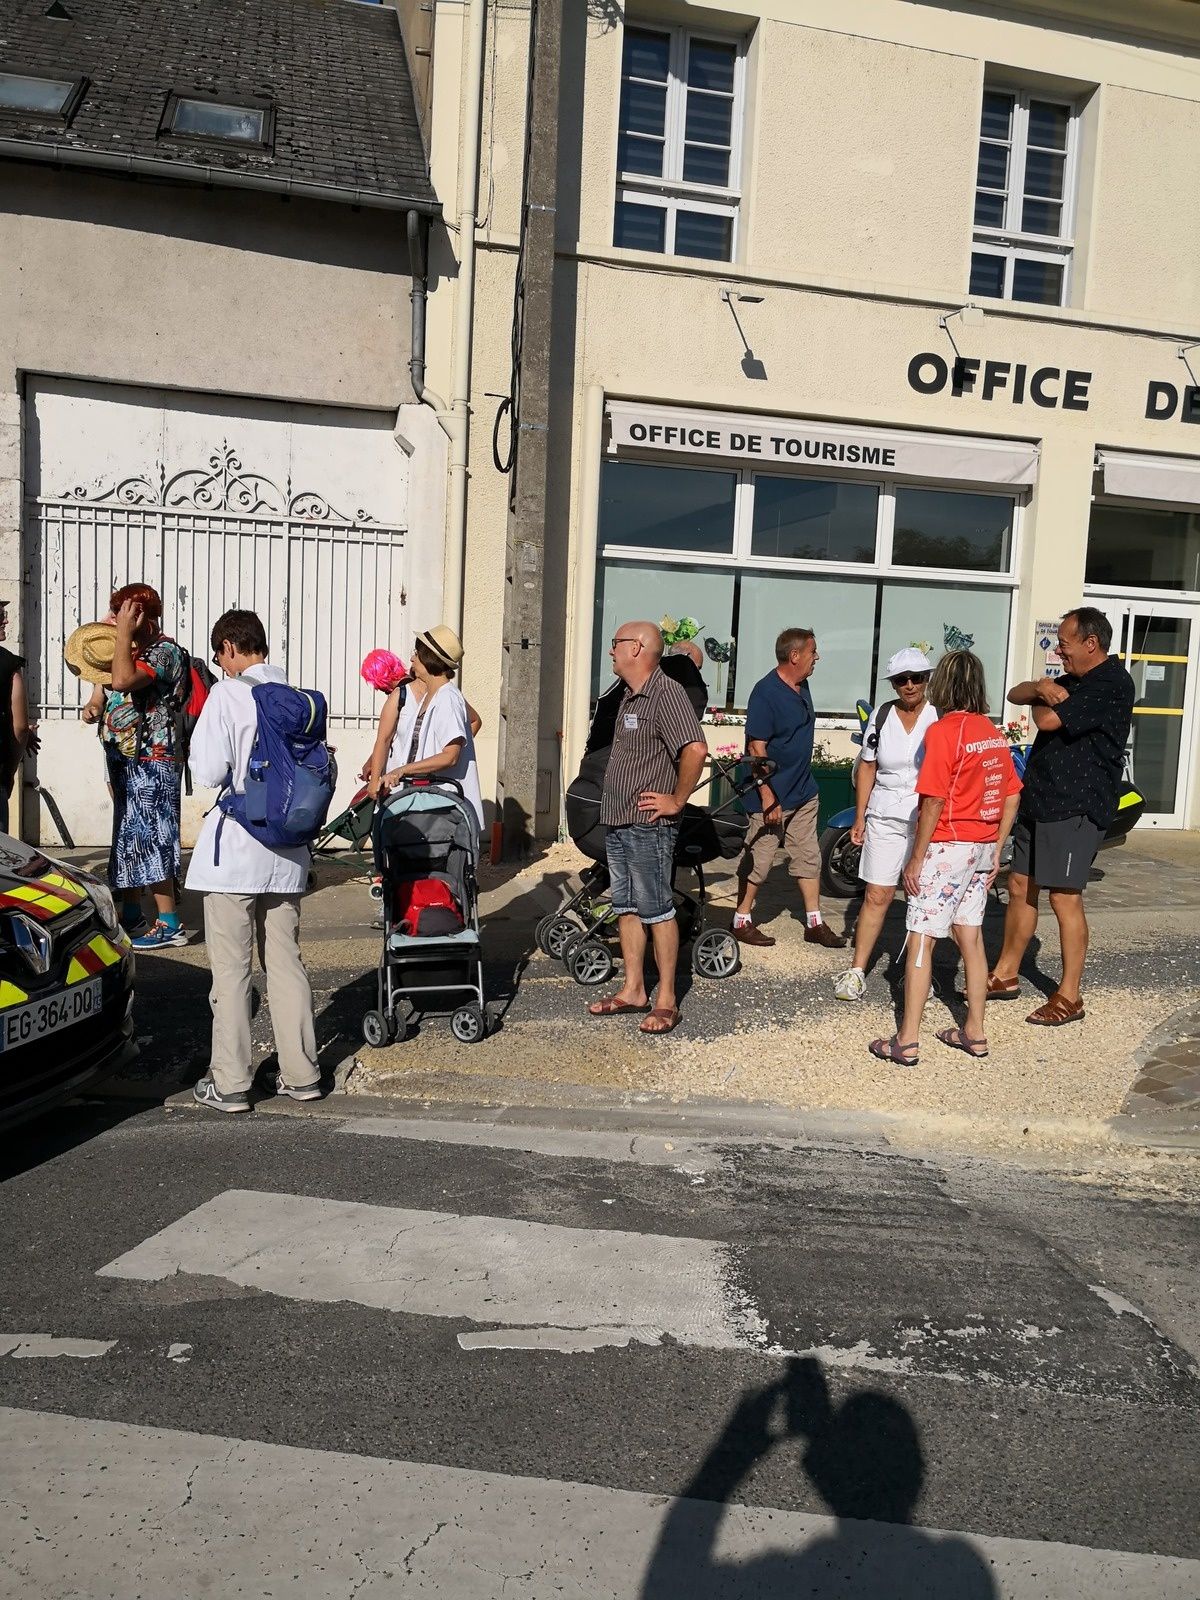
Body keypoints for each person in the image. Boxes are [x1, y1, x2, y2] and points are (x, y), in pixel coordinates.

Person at [186, 609, 321, 1114]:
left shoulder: (228, 694)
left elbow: (209, 770)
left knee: (231, 970)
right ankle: (303, 1074)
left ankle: (232, 1081)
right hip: (288, 853)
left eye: (221, 656)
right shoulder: (297, 699)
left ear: (228, 648)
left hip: (235, 854)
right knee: (286, 965)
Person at [868, 650, 1021, 1067]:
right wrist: (993, 847)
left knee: (921, 936)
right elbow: (1012, 794)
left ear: (944, 684)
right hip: (979, 846)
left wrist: (916, 857)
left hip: (947, 845)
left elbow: (933, 799)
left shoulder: (944, 731)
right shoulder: (991, 732)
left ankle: (908, 1039)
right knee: (969, 935)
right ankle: (975, 1031)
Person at [987, 607, 1135, 1026]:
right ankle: (1005, 974)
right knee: (1019, 885)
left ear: (1091, 643)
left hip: (1076, 804)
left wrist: (1043, 698)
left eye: (1065, 644)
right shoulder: (1072, 679)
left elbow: (1048, 719)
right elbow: (1017, 693)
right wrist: (1040, 686)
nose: (1059, 650)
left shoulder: (1110, 683)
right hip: (1042, 798)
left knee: (1064, 896)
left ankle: (1070, 996)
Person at [587, 620, 707, 1036]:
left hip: (648, 825)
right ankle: (634, 989)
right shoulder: (628, 695)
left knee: (657, 908)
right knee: (626, 908)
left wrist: (677, 799)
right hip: (619, 820)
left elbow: (695, 747)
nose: (611, 652)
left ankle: (667, 999)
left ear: (637, 648)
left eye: (615, 643)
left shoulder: (665, 693)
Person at [834, 648, 938, 1001]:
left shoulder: (940, 715)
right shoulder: (881, 715)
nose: (909, 685)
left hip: (928, 815)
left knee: (921, 896)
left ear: (927, 679)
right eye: (901, 679)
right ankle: (857, 969)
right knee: (877, 894)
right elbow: (867, 766)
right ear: (893, 683)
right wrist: (859, 816)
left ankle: (917, 971)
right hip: (885, 814)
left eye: (916, 678)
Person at [732, 627, 845, 949]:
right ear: (794, 656)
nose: (817, 657)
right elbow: (757, 748)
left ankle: (814, 923)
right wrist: (768, 798)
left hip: (803, 790)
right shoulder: (765, 693)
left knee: (808, 856)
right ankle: (741, 919)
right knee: (761, 859)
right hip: (771, 795)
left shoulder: (802, 684)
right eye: (813, 652)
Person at [90, 584, 188, 949]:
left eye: (124, 613)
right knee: (129, 836)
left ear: (142, 616)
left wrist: (124, 636)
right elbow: (99, 676)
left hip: (153, 757)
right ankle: (132, 913)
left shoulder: (164, 652)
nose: (117, 620)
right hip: (126, 756)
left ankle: (170, 922)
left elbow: (122, 680)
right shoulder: (136, 648)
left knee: (154, 836)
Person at [377, 626, 483, 830]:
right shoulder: (431, 696)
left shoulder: (448, 699)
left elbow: (450, 756)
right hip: (431, 809)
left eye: (416, 653)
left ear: (428, 658)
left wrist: (402, 770)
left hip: (444, 814)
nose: (412, 659)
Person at [0, 598, 37, 835]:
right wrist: (9, 774)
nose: (6, 619)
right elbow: (21, 728)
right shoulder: (7, 662)